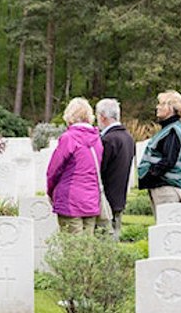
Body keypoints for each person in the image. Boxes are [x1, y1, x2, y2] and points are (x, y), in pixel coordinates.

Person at [46, 97, 104, 235]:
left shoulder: (69, 138)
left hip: (70, 199)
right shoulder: (97, 139)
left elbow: (54, 169)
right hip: (91, 199)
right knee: (86, 247)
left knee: (72, 247)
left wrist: (50, 191)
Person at [137, 90, 181, 215]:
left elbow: (169, 160)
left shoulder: (173, 131)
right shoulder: (169, 129)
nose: (157, 107)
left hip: (166, 188)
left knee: (166, 229)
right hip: (162, 186)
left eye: (161, 104)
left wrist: (150, 175)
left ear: (171, 109)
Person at [95, 98, 137, 239]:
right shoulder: (128, 137)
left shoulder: (108, 140)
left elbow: (100, 170)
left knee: (105, 239)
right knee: (115, 236)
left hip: (107, 198)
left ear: (102, 116)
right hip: (120, 197)